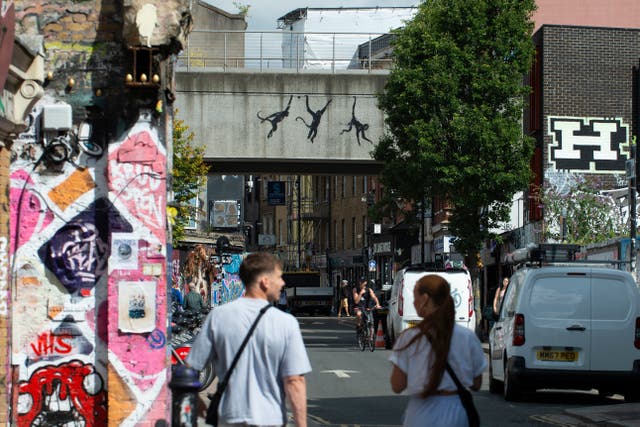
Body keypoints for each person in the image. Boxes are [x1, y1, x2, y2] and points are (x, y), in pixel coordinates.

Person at [186, 252, 311, 427]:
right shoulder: (286, 323)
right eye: (279, 277)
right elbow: (294, 380)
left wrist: (195, 400)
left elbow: (190, 367)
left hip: (229, 417)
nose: (282, 283)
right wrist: (301, 424)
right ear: (265, 282)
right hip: (270, 419)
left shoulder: (218, 316)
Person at [389, 274, 486, 427]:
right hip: (457, 413)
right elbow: (476, 383)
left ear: (425, 299)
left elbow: (397, 385)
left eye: (415, 298)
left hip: (421, 415)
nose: (413, 303)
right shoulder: (467, 337)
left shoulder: (409, 338)